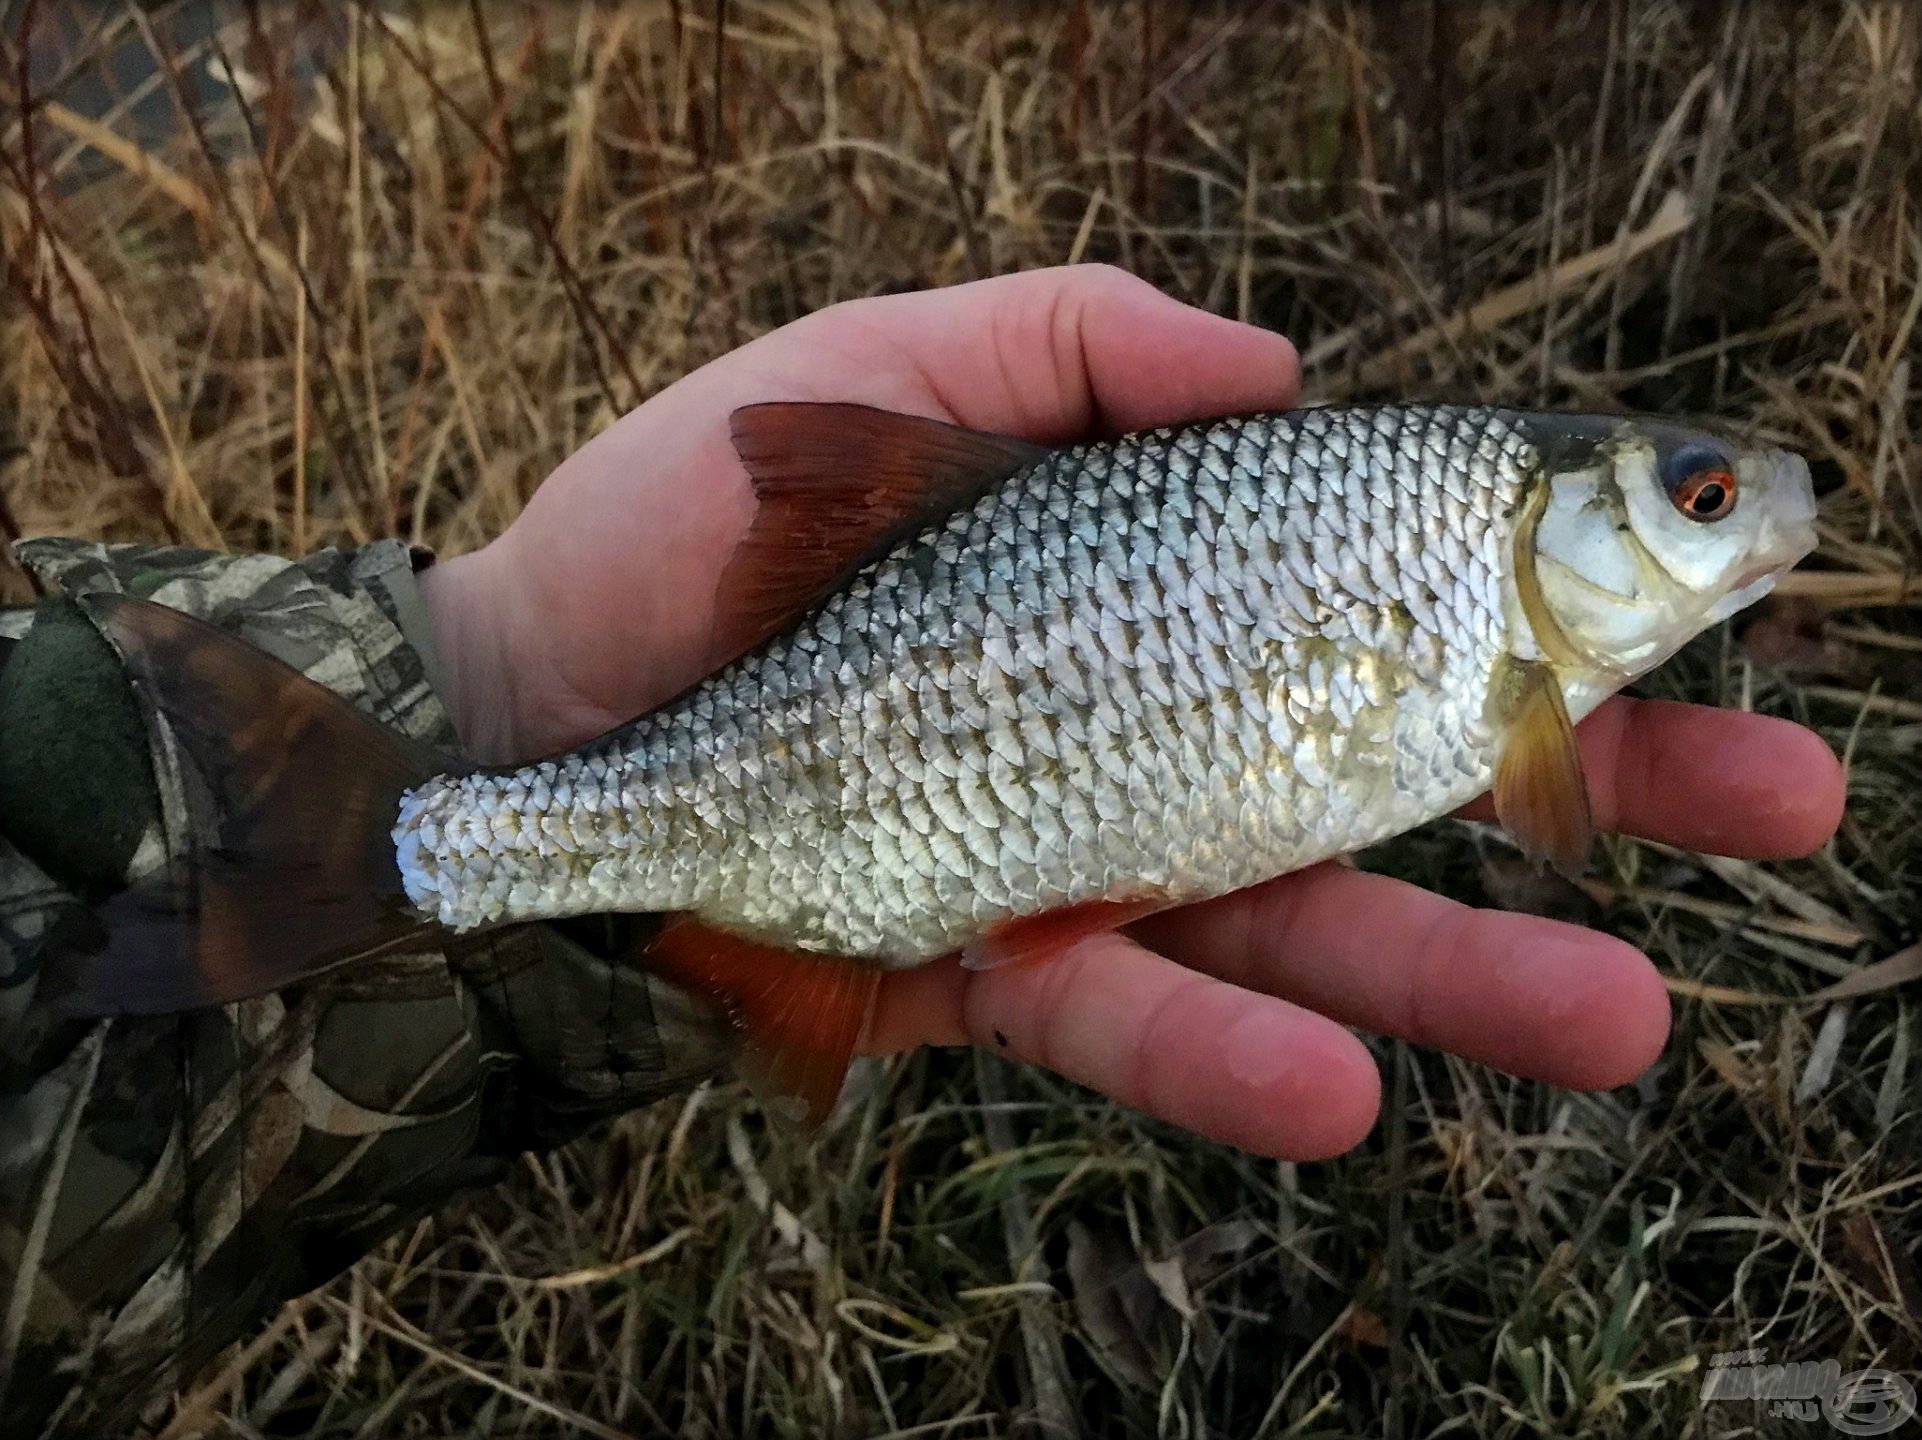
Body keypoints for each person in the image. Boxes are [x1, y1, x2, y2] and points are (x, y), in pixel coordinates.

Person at [0, 267, 1845, 1436]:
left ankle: (367, 839)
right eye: (1697, 500)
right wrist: (488, 674)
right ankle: (412, 840)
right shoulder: (1494, 633)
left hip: (894, 827)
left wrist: (447, 674)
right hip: (836, 803)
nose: (1747, 516)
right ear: (1559, 529)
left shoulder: (1498, 633)